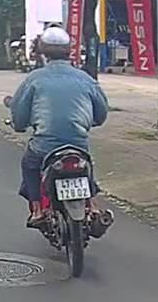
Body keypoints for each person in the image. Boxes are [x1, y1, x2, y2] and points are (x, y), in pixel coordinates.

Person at [7, 26, 110, 230]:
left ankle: (37, 210)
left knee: (29, 165)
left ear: (43, 51)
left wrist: (19, 126)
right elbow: (101, 114)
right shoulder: (86, 79)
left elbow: (19, 114)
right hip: (78, 144)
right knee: (85, 165)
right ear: (69, 50)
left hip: (44, 147)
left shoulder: (34, 79)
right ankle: (92, 206)